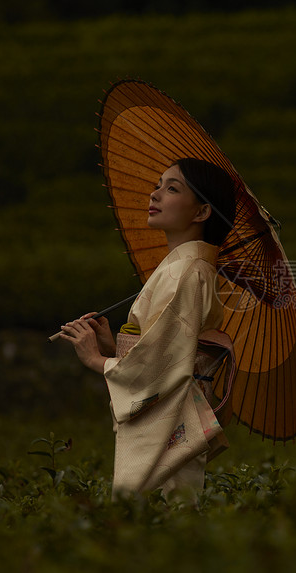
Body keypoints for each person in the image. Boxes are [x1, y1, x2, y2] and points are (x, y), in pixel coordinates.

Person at [58, 157, 237, 502]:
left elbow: (162, 363)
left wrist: (98, 360)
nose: (155, 194)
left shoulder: (186, 272)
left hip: (169, 414)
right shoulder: (189, 268)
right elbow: (162, 347)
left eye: (172, 189)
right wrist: (116, 347)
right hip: (171, 410)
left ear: (201, 213)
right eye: (158, 184)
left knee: (151, 515)